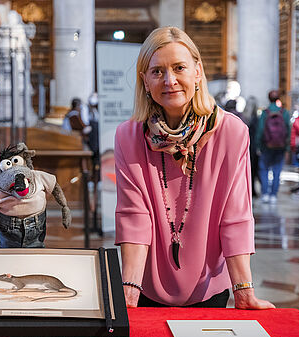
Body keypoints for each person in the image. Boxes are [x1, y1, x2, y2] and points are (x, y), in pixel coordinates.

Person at [115, 26, 274, 309]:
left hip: (209, 282)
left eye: (179, 68)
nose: (170, 80)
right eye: (157, 71)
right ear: (144, 81)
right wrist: (129, 288)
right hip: (147, 286)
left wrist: (244, 290)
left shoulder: (231, 132)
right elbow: (134, 215)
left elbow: (235, 215)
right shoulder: (128, 136)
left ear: (197, 72)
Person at [255, 90, 291, 204]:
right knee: (277, 170)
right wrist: (287, 147)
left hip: (266, 146)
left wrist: (258, 145)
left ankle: (265, 193)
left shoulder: (265, 113)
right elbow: (288, 130)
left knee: (264, 170)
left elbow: (260, 130)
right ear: (278, 98)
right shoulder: (284, 112)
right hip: (280, 146)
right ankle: (273, 195)